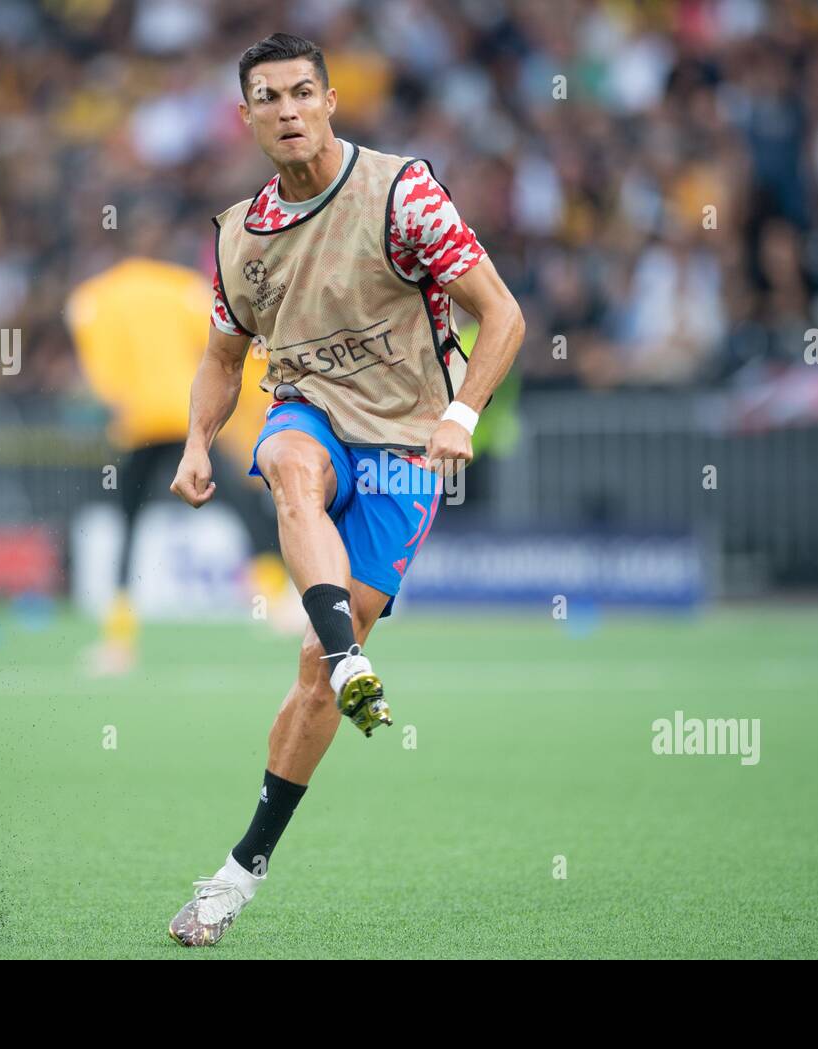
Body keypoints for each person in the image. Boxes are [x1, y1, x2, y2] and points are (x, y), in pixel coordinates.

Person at [165, 33, 525, 946]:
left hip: (407, 442)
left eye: (300, 93)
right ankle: (347, 653)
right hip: (310, 414)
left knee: (313, 686)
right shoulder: (240, 235)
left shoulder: (402, 193)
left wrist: (463, 417)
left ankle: (242, 868)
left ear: (330, 101)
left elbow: (504, 314)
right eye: (267, 99)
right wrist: (199, 439)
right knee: (287, 462)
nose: (286, 111)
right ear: (245, 119)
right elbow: (222, 357)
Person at [66, 245, 284, 674]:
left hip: (140, 425)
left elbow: (100, 377)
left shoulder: (91, 298)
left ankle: (119, 642)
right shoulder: (184, 288)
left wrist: (119, 399)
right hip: (188, 419)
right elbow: (222, 348)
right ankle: (275, 603)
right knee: (240, 501)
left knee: (128, 522)